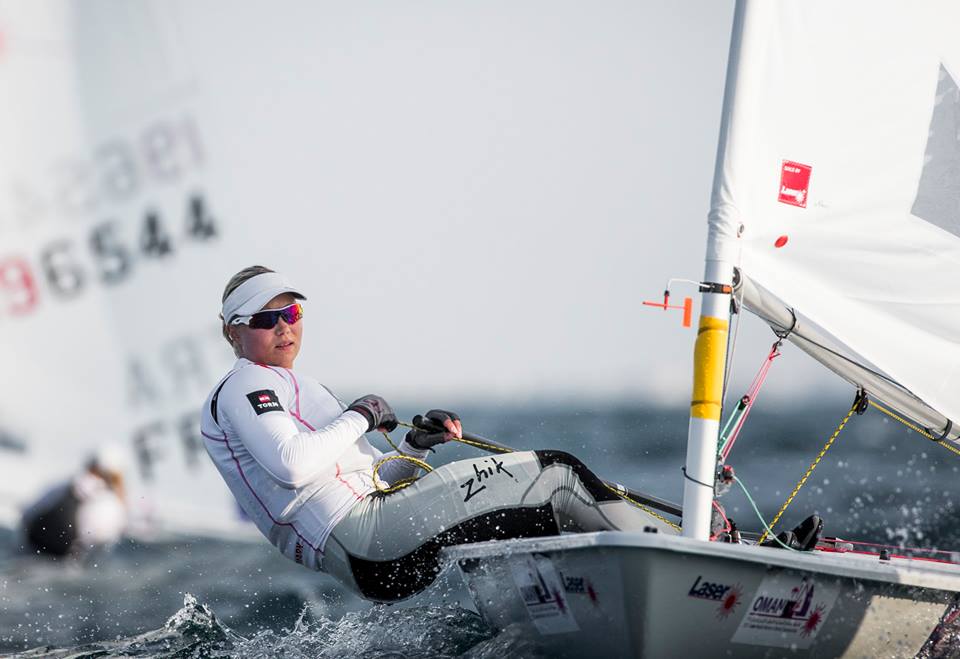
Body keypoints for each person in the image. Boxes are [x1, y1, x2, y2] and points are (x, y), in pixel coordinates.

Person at [201, 266, 677, 602]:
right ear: (232, 332)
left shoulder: (290, 385)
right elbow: (291, 466)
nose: (284, 328)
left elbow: (370, 485)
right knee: (557, 474)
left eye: (291, 314)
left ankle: (587, 597)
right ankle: (681, 563)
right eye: (265, 320)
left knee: (537, 512)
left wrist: (414, 448)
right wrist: (362, 415)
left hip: (371, 552)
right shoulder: (245, 383)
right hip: (365, 539)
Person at [21, 445, 128, 558]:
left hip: (31, 548)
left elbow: (27, 515)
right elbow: (104, 542)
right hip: (68, 558)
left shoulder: (63, 485)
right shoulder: (111, 503)